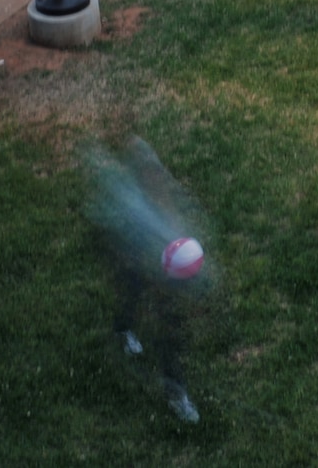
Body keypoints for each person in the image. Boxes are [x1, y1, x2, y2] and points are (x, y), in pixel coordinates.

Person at [83, 137, 212, 424]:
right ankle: (126, 333)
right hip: (139, 258)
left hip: (162, 266)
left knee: (168, 325)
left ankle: (173, 388)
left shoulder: (158, 195)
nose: (158, 176)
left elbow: (168, 210)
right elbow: (110, 232)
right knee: (142, 301)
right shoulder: (127, 204)